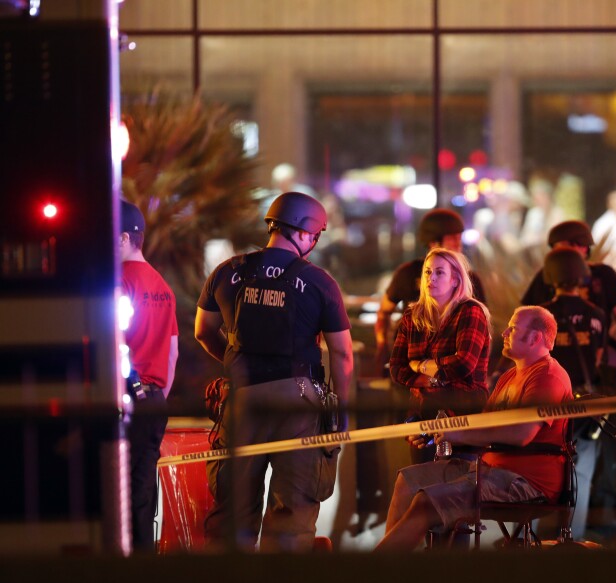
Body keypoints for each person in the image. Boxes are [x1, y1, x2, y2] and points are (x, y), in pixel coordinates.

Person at [195, 192, 354, 552]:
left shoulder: (228, 272)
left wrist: (235, 368)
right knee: (292, 514)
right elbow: (342, 353)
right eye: (315, 237)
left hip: (242, 400)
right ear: (305, 233)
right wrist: (342, 412)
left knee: (232, 511)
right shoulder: (319, 282)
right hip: (298, 404)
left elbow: (203, 331)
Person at [375, 306, 572, 552]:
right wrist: (441, 427)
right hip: (490, 470)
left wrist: (459, 435)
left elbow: (522, 434)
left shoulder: (548, 376)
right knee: (407, 480)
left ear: (535, 337)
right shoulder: (509, 377)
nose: (505, 333)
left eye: (513, 328)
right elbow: (484, 425)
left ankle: (374, 577)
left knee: (426, 503)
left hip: (526, 483)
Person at [520, 220, 616, 387]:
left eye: (562, 249)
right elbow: (521, 328)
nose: (558, 256)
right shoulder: (545, 278)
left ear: (582, 247)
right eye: (556, 251)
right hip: (549, 377)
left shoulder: (604, 276)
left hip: (591, 373)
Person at [388, 247, 491, 464]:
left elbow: (464, 363)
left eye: (439, 272)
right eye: (427, 272)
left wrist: (421, 366)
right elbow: (397, 369)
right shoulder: (412, 316)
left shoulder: (470, 311)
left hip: (464, 421)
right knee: (420, 490)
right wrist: (438, 376)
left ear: (455, 280)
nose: (430, 278)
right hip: (422, 421)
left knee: (457, 492)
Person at [119, 199, 179, 553]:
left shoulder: (117, 282)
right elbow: (173, 353)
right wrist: (157, 398)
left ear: (124, 238)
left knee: (116, 490)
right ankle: (144, 572)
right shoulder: (162, 285)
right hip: (155, 400)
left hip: (124, 397)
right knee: (142, 491)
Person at [539, 246, 609, 542]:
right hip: (581, 409)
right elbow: (597, 360)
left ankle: (527, 539)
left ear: (550, 276)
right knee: (580, 476)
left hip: (544, 407)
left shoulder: (541, 316)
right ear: (581, 275)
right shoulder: (596, 315)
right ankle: (572, 540)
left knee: (537, 471)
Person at [374, 208, 486, 376]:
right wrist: (382, 345)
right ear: (434, 242)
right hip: (409, 366)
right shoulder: (408, 273)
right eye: (452, 239)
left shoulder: (470, 280)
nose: (459, 244)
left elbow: (480, 332)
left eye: (459, 238)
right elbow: (384, 312)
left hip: (451, 374)